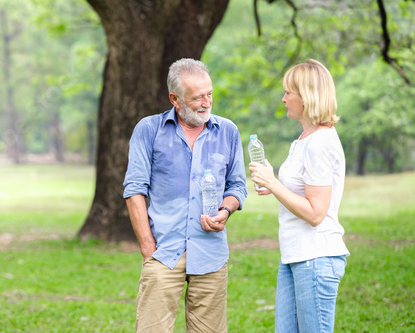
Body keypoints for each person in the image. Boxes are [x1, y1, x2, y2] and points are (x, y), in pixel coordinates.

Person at [123, 58, 247, 333]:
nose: (206, 102)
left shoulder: (228, 131)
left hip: (211, 253)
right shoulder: (148, 130)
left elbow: (237, 186)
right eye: (197, 97)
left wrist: (225, 211)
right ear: (175, 99)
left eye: (209, 94)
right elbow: (134, 190)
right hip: (163, 252)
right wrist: (148, 248)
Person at [248, 59, 350, 333]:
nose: (283, 99)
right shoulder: (303, 140)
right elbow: (299, 193)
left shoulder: (321, 143)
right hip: (294, 256)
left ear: (307, 97)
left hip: (315, 258)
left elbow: (316, 213)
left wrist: (273, 183)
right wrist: (273, 185)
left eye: (288, 93)